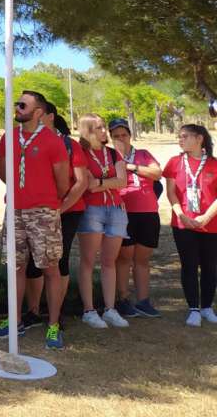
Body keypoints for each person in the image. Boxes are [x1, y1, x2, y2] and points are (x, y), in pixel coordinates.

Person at [0, 90, 70, 350]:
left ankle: (53, 325)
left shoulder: (53, 140)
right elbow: (3, 172)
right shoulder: (9, 137)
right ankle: (15, 320)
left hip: (43, 212)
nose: (17, 108)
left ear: (38, 112)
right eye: (17, 104)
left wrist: (45, 200)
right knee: (15, 266)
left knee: (50, 268)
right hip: (15, 210)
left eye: (23, 105)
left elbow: (62, 181)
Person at [22, 103, 88, 329]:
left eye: (39, 114)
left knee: (58, 260)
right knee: (33, 261)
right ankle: (32, 311)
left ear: (50, 116)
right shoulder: (26, 142)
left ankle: (55, 314)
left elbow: (81, 182)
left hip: (67, 211)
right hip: (33, 211)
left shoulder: (69, 144)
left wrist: (60, 208)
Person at [75, 113, 130, 329]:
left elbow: (122, 181)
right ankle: (89, 310)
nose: (104, 131)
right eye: (99, 128)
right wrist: (108, 182)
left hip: (116, 209)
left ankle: (110, 309)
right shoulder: (81, 153)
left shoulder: (113, 152)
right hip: (92, 210)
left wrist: (99, 182)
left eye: (103, 127)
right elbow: (87, 185)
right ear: (88, 131)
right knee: (88, 261)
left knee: (109, 261)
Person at [162, 123, 217, 326]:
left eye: (185, 136)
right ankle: (193, 308)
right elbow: (171, 193)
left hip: (211, 224)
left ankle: (207, 307)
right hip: (183, 223)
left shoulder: (214, 164)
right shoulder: (174, 162)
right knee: (189, 265)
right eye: (179, 136)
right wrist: (181, 215)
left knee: (210, 266)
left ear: (199, 138)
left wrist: (206, 217)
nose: (180, 139)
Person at [110, 117, 163, 318]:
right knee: (124, 257)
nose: (121, 138)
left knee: (142, 258)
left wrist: (132, 167)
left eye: (124, 134)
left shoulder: (143, 154)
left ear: (130, 135)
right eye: (116, 136)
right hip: (123, 211)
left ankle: (143, 301)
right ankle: (123, 299)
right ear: (111, 138)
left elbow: (157, 173)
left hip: (148, 211)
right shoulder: (109, 156)